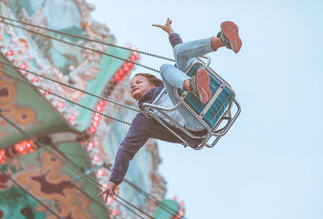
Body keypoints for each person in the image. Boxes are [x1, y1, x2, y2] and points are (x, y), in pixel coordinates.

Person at [98, 19, 242, 203]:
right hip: (194, 124)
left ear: (151, 83)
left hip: (206, 102)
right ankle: (194, 86)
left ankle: (223, 41)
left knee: (178, 54)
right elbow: (126, 148)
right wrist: (113, 180)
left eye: (138, 82)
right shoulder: (145, 117)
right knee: (166, 69)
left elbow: (182, 52)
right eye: (131, 86)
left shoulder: (168, 85)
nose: (133, 86)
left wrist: (171, 33)